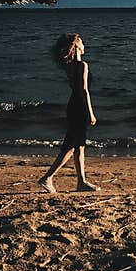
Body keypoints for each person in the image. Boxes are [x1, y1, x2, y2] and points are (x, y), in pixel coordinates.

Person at [38, 33, 100, 193]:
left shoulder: (69, 66)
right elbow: (84, 91)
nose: (85, 45)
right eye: (82, 42)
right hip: (80, 107)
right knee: (71, 147)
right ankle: (48, 178)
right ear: (77, 46)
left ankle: (81, 182)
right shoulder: (82, 65)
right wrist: (91, 113)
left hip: (73, 106)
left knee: (79, 146)